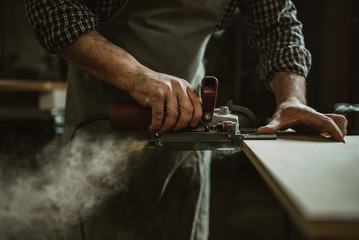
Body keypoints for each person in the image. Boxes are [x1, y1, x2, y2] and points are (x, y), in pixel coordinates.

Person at [25, 0, 348, 239]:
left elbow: (277, 24)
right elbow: (52, 10)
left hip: (189, 133)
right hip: (102, 123)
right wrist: (137, 76)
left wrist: (291, 99)